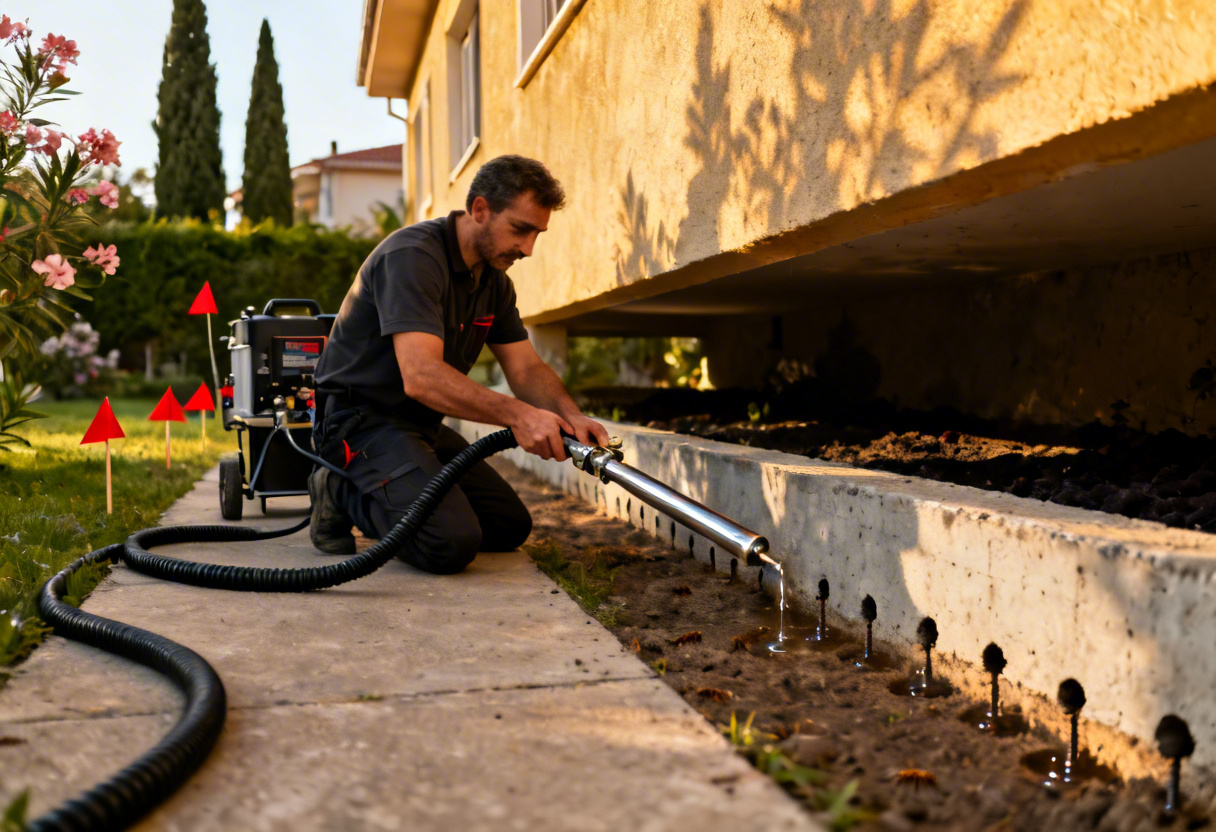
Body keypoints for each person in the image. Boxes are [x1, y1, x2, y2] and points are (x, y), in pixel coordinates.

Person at [309, 155, 609, 574]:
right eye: (520, 229)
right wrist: (520, 416)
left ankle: (399, 487)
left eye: (537, 234)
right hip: (360, 422)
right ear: (480, 209)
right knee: (448, 543)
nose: (528, 248)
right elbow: (422, 378)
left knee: (507, 526)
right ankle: (339, 487)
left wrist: (571, 416)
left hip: (419, 426)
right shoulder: (412, 258)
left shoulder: (493, 283)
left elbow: (524, 369)